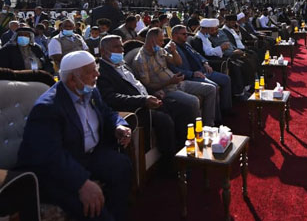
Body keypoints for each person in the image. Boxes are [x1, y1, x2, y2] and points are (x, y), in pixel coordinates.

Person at [17, 50, 133, 221]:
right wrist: (81, 183)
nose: (97, 74)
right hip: (57, 168)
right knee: (92, 209)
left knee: (121, 165)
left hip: (86, 155)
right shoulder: (48, 108)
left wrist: (118, 125)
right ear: (72, 79)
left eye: (96, 69)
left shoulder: (90, 90)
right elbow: (50, 155)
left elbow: (107, 112)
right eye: (91, 72)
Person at [96, 35, 181, 170]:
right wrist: (143, 100)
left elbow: (138, 85)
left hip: (147, 99)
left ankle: (181, 153)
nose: (121, 50)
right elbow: (111, 98)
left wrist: (153, 92)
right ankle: (169, 166)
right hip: (136, 108)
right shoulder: (101, 72)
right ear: (103, 51)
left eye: (121, 46)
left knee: (178, 106)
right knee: (164, 120)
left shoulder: (123, 65)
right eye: (116, 47)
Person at [133, 27, 217, 126]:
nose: (163, 43)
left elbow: (177, 62)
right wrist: (170, 82)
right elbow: (148, 85)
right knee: (194, 101)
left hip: (178, 83)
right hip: (167, 90)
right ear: (152, 40)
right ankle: (198, 129)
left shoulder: (159, 50)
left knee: (211, 89)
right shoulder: (141, 60)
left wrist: (173, 51)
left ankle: (209, 124)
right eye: (160, 40)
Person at [169, 24, 232, 116]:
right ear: (174, 35)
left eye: (187, 33)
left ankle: (226, 109)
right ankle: (216, 118)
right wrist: (192, 74)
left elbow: (198, 55)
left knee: (226, 79)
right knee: (214, 86)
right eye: (183, 34)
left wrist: (205, 63)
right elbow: (174, 69)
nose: (186, 36)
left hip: (202, 70)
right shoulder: (170, 49)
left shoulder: (186, 44)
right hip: (191, 76)